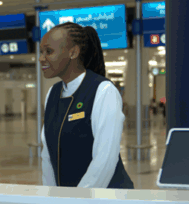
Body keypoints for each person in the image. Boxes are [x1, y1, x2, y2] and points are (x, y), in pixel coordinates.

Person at [39, 22, 134, 189]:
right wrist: (53, 199)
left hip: (105, 200)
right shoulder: (52, 94)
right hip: (70, 203)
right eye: (41, 52)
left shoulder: (103, 91)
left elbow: (105, 158)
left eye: (49, 51)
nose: (41, 58)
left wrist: (79, 202)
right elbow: (47, 155)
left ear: (73, 52)